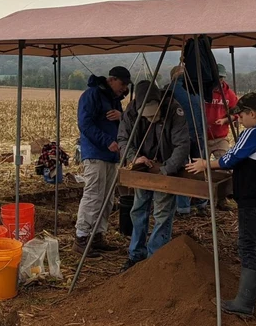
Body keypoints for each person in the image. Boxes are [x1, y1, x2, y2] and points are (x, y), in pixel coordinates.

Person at [186, 92, 256, 317]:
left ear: (252, 114)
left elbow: (229, 159)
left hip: (250, 197)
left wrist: (205, 164)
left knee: (247, 244)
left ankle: (245, 302)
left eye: (241, 115)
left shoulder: (251, 133)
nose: (238, 119)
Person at [118, 80, 190, 271]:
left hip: (167, 167)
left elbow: (182, 144)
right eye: (147, 117)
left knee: (162, 212)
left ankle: (155, 258)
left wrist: (167, 170)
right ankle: (136, 254)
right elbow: (124, 139)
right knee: (138, 208)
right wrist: (135, 158)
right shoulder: (131, 113)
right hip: (144, 167)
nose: (152, 120)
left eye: (155, 116)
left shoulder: (174, 110)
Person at [73, 66, 131, 256]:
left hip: (111, 155)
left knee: (106, 198)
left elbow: (125, 124)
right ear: (112, 79)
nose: (124, 89)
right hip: (96, 153)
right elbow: (85, 124)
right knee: (94, 195)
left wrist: (120, 118)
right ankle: (81, 236)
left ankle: (97, 235)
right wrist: (106, 141)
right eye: (122, 84)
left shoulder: (114, 100)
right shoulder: (91, 96)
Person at [168, 65, 207, 217]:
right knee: (199, 167)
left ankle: (183, 208)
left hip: (180, 136)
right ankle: (202, 203)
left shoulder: (171, 90)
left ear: (173, 77)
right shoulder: (197, 89)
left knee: (182, 169)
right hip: (200, 133)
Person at [205, 63, 238, 211]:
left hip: (220, 137)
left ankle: (222, 198)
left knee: (225, 165)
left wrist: (225, 120)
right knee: (201, 167)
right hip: (203, 137)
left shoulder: (229, 95)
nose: (219, 81)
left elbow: (237, 113)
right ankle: (203, 198)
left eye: (221, 78)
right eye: (216, 77)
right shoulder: (203, 90)